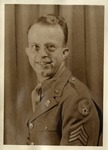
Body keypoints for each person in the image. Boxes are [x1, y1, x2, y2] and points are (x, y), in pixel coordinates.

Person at [25, 14, 102, 145]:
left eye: (50, 47)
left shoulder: (76, 99)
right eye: (35, 46)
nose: (42, 54)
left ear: (64, 53)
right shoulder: (39, 93)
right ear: (27, 51)